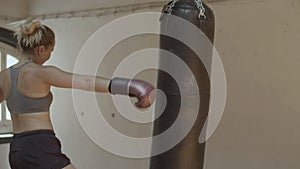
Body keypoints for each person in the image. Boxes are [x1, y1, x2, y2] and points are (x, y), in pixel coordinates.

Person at [0, 20, 155, 169]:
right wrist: (129, 86)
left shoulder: (4, 76)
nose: (50, 56)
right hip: (39, 145)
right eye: (50, 50)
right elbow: (86, 82)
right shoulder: (42, 73)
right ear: (41, 49)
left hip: (17, 149)